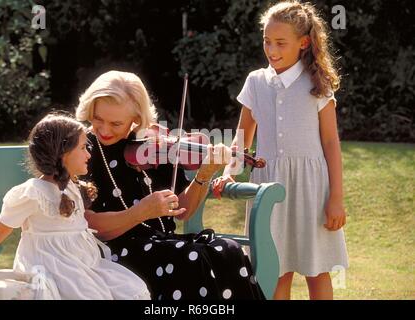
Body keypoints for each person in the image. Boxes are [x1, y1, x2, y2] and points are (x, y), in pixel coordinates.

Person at [76, 70, 265, 300]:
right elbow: (87, 224)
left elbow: (183, 209)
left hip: (163, 243)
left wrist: (204, 173)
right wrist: (140, 212)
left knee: (228, 251)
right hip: (116, 252)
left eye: (116, 123)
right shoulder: (83, 151)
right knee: (189, 258)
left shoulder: (155, 146)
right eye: (98, 119)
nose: (104, 130)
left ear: (136, 118)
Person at [212, 0, 348, 300]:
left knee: (317, 269)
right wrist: (229, 172)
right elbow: (242, 136)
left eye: (280, 43)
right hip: (267, 188)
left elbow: (330, 143)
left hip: (312, 190)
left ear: (303, 43)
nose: (272, 50)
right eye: (267, 42)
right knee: (275, 269)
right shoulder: (255, 82)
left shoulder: (318, 83)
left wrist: (336, 198)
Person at [0, 113, 150, 300]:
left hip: (82, 266)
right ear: (63, 153)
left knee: (130, 287)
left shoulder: (72, 187)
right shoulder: (34, 193)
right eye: (83, 147)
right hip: (53, 268)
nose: (88, 154)